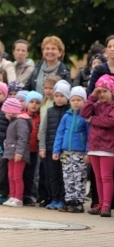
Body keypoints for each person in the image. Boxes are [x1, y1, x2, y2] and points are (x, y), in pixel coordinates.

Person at [80, 74, 114, 217]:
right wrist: (92, 96)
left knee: (106, 177)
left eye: (105, 91)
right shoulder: (96, 105)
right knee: (97, 177)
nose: (102, 94)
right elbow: (84, 113)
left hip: (108, 147)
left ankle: (107, 205)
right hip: (94, 146)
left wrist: (93, 119)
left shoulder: (112, 106)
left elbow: (110, 121)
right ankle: (99, 203)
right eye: (99, 91)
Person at [53, 86, 90, 213]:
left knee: (79, 178)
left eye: (79, 100)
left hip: (79, 153)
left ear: (84, 101)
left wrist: (87, 152)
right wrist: (56, 150)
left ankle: (78, 202)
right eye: (73, 100)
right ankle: (69, 201)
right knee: (68, 178)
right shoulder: (66, 116)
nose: (75, 102)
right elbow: (60, 133)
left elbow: (89, 135)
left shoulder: (85, 117)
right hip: (66, 153)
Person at [41, 80, 71, 210]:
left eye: (62, 96)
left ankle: (62, 199)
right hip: (49, 149)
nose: (59, 99)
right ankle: (54, 199)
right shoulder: (50, 111)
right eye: (57, 96)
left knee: (63, 175)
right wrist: (42, 147)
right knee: (52, 175)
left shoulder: (69, 112)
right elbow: (43, 130)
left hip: (64, 151)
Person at [1, 97, 32, 207]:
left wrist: (19, 152)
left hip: (18, 154)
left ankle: (18, 198)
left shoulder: (21, 122)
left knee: (17, 176)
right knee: (11, 175)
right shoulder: (13, 122)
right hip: (10, 152)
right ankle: (12, 196)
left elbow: (22, 138)